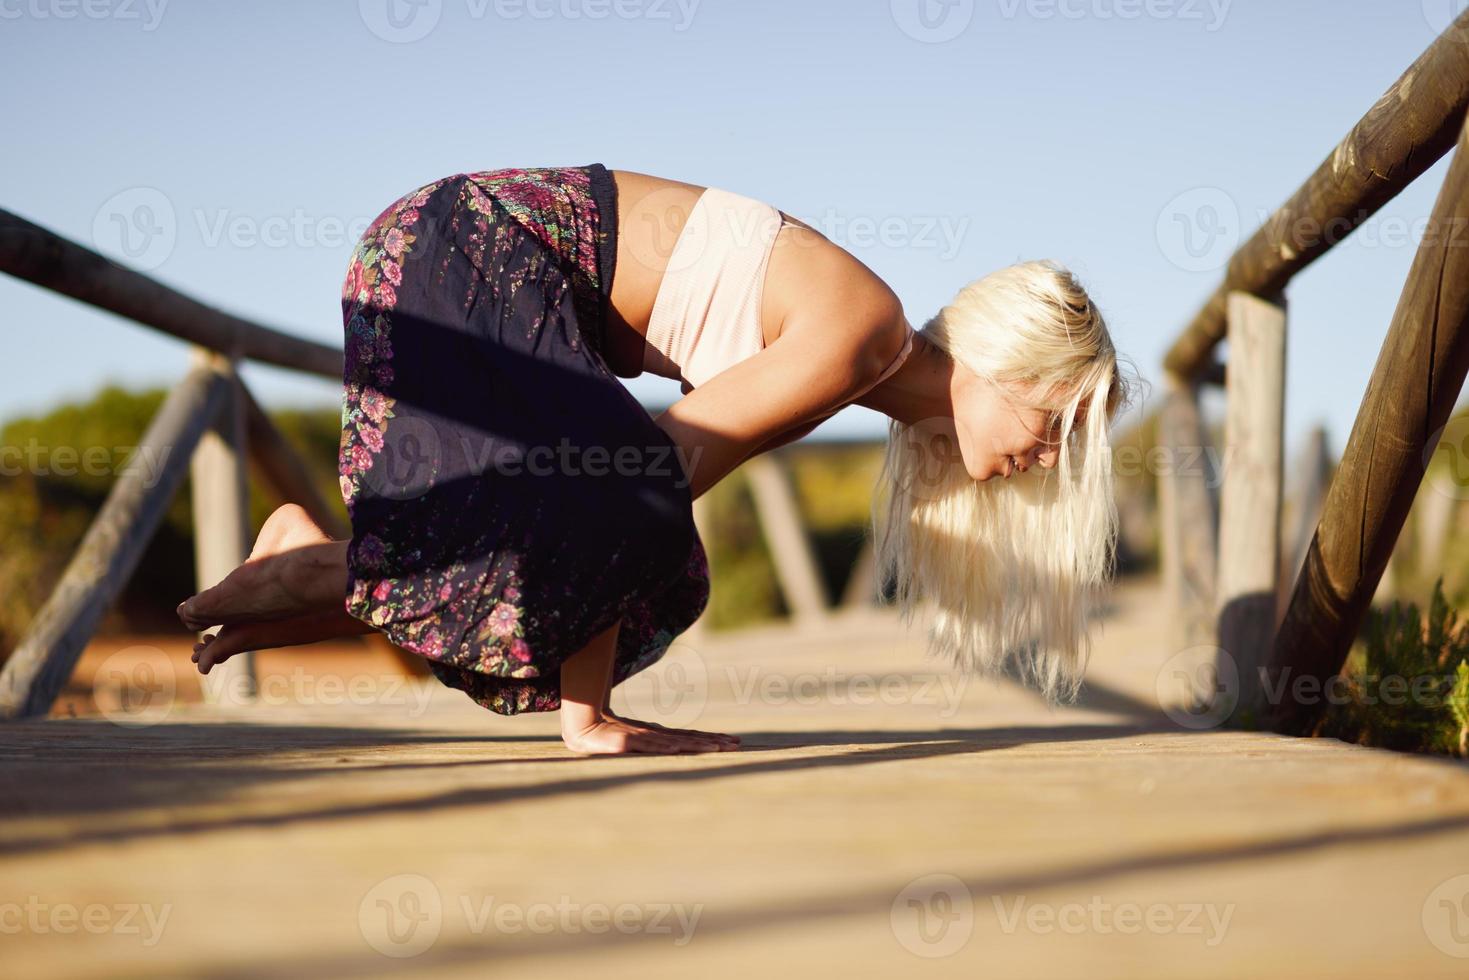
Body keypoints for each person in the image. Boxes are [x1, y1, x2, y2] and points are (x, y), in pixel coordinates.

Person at [175, 164, 1133, 756]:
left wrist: (586, 700)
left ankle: (302, 563)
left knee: (608, 568)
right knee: (622, 550)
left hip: (445, 248)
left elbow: (625, 500)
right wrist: (587, 721)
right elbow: (636, 489)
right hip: (469, 247)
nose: (1048, 457)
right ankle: (308, 570)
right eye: (1058, 423)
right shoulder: (860, 337)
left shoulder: (858, 360)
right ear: (1013, 362)